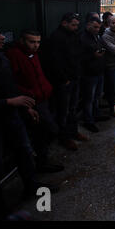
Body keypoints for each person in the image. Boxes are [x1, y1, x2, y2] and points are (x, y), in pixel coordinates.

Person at [0, 23, 57, 220]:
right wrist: (9, 102)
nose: (1, 37)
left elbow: (11, 89)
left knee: (25, 152)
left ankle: (31, 187)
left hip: (12, 118)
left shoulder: (1, 60)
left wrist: (25, 106)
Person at [5, 29, 63, 173]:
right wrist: (27, 98)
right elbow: (11, 82)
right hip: (32, 101)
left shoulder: (34, 54)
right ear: (22, 41)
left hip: (43, 98)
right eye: (32, 42)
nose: (36, 45)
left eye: (38, 42)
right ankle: (39, 161)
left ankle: (42, 160)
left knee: (43, 133)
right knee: (46, 130)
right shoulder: (14, 55)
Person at [42, 12, 88, 151]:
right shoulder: (56, 38)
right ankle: (64, 138)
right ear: (64, 23)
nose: (75, 27)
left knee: (72, 108)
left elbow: (77, 55)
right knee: (63, 111)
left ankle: (73, 132)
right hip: (64, 81)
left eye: (77, 25)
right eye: (73, 25)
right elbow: (55, 61)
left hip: (74, 77)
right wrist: (64, 79)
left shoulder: (73, 35)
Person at [80, 16, 108, 133]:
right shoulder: (82, 38)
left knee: (96, 96)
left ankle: (95, 115)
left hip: (99, 72)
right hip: (89, 74)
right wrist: (93, 56)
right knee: (89, 99)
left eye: (99, 27)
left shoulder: (96, 36)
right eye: (95, 27)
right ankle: (88, 121)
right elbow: (80, 57)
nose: (97, 29)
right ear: (88, 25)